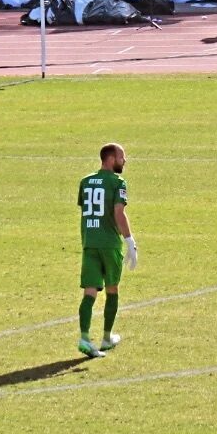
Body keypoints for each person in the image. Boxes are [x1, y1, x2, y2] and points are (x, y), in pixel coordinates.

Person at [76, 142, 138, 358]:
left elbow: (87, 210)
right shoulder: (117, 182)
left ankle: (84, 338)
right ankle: (106, 338)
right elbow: (118, 213)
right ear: (111, 159)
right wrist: (129, 241)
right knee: (112, 289)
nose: (124, 160)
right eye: (121, 157)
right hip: (110, 243)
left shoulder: (85, 182)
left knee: (89, 291)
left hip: (89, 242)